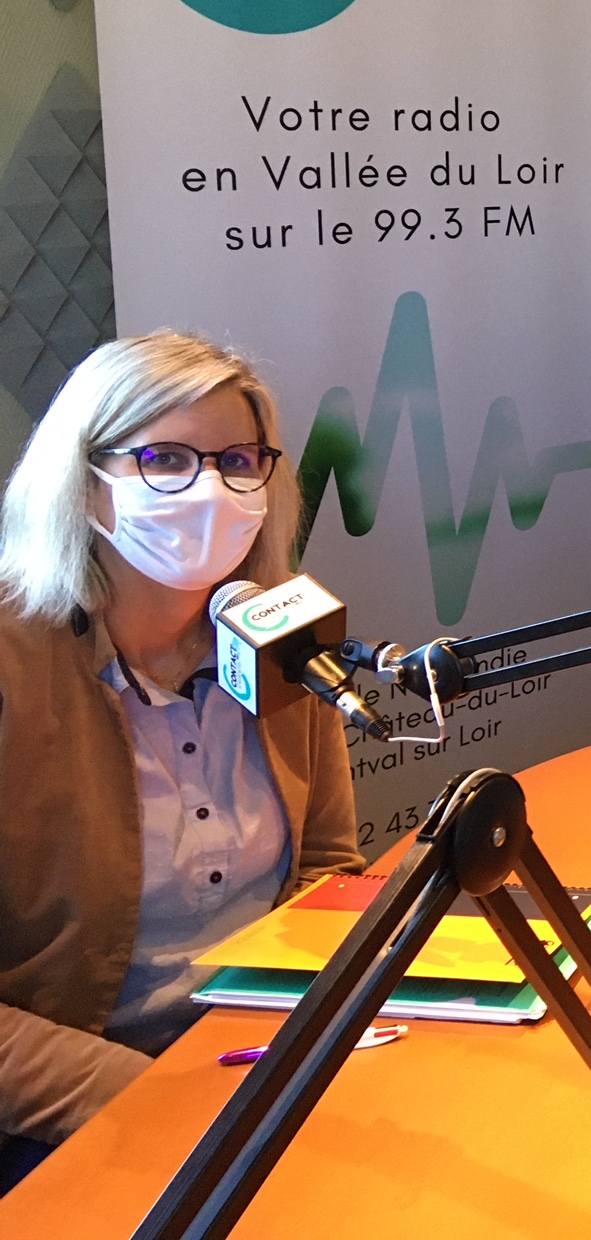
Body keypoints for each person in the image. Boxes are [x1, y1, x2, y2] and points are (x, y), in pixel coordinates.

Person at [0, 332, 363, 1193]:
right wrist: (157, 1103)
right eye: (165, 458)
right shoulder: (14, 662)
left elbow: (326, 870)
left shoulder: (283, 633)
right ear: (85, 480)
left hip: (255, 1066)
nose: (209, 488)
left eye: (237, 460)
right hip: (66, 1118)